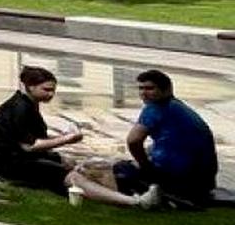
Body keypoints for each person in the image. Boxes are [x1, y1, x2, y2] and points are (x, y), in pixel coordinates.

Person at [71, 69, 220, 209]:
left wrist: (145, 166)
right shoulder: (178, 107)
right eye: (141, 89)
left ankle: (131, 198)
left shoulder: (156, 108)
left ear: (167, 90)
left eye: (149, 88)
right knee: (124, 162)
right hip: (203, 182)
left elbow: (133, 141)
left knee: (99, 171)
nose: (143, 93)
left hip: (177, 179)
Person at [0, 66, 83, 192]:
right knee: (71, 176)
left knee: (70, 162)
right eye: (46, 90)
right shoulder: (20, 108)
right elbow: (29, 146)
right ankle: (110, 198)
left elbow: (32, 137)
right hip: (14, 164)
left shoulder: (28, 103)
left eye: (53, 90)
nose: (51, 94)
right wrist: (67, 139)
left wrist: (64, 138)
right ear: (31, 87)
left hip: (22, 157)